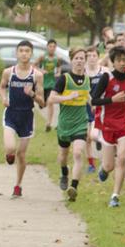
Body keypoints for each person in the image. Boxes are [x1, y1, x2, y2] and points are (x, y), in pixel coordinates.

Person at [90, 46, 125, 208]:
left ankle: (115, 196)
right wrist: (112, 100)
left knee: (123, 157)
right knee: (109, 165)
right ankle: (104, 169)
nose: (123, 63)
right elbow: (93, 100)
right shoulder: (106, 78)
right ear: (113, 62)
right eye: (119, 60)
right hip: (108, 124)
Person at [0, 40, 44, 197]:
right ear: (17, 53)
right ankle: (9, 154)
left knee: (21, 155)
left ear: (31, 54)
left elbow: (43, 102)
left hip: (27, 117)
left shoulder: (37, 75)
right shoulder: (8, 72)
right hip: (11, 114)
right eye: (21, 51)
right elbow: (1, 86)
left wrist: (32, 94)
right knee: (11, 149)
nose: (24, 53)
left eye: (27, 51)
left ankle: (18, 185)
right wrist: (4, 98)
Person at [49, 48, 91, 202]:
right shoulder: (64, 79)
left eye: (82, 58)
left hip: (80, 123)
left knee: (78, 153)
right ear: (72, 60)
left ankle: (73, 187)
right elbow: (52, 99)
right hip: (65, 124)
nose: (79, 61)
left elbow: (89, 97)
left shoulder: (87, 80)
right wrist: (68, 97)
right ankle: (64, 173)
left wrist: (95, 105)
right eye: (77, 58)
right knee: (63, 156)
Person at [85, 46, 108, 173]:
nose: (92, 58)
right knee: (86, 137)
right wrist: (91, 101)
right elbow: (83, 89)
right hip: (86, 106)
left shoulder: (104, 71)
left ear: (98, 57)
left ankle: (99, 139)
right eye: (89, 56)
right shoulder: (83, 72)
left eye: (94, 55)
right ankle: (91, 164)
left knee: (93, 136)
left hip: (100, 107)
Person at [36, 38, 61, 132]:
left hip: (52, 83)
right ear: (47, 47)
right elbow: (34, 66)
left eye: (54, 46)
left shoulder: (57, 58)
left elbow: (59, 68)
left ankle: (49, 123)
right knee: (42, 104)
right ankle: (41, 103)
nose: (52, 48)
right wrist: (41, 71)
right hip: (42, 84)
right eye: (50, 46)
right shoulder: (43, 57)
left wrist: (58, 73)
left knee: (51, 102)